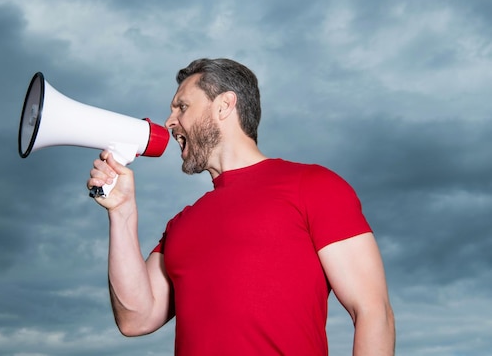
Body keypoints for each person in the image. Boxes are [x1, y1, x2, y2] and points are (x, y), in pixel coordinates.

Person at [87, 58, 395, 355]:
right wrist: (121, 212)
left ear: (224, 105)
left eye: (182, 106)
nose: (169, 122)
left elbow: (372, 312)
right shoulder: (181, 224)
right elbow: (135, 318)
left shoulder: (313, 185)